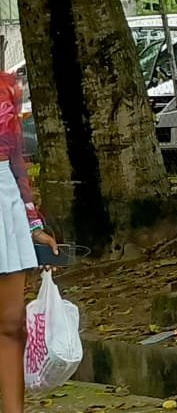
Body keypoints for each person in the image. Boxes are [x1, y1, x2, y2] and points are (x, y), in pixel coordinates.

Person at [0, 71, 56, 413]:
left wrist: (33, 223)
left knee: (11, 322)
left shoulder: (7, 86)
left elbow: (18, 158)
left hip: (4, 199)